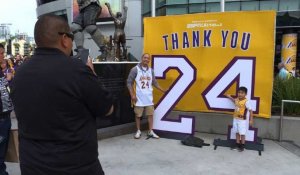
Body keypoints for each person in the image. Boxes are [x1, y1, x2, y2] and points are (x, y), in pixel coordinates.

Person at [11, 14, 113, 175]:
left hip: (33, 166)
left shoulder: (19, 73)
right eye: (72, 37)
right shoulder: (78, 71)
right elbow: (107, 109)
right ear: (64, 39)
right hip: (76, 168)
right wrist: (92, 75)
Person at [127, 53, 166, 139]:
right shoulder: (135, 69)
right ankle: (138, 130)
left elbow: (154, 82)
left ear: (149, 60)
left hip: (149, 97)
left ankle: (150, 131)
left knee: (150, 115)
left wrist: (162, 89)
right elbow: (129, 83)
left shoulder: (151, 70)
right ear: (142, 58)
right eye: (145, 58)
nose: (146, 59)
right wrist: (132, 95)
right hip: (139, 97)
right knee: (138, 115)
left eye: (148, 58)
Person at [226, 87, 253, 152]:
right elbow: (234, 101)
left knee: (242, 133)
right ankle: (237, 144)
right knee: (237, 131)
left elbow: (251, 110)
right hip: (235, 118)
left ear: (245, 94)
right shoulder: (237, 99)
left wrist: (251, 119)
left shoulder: (246, 101)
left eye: (242, 93)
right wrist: (229, 97)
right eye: (239, 92)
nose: (240, 94)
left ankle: (242, 145)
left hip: (242, 120)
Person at [0, 44, 14, 175]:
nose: (3, 56)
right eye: (0, 53)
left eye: (3, 53)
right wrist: (7, 79)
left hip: (5, 116)